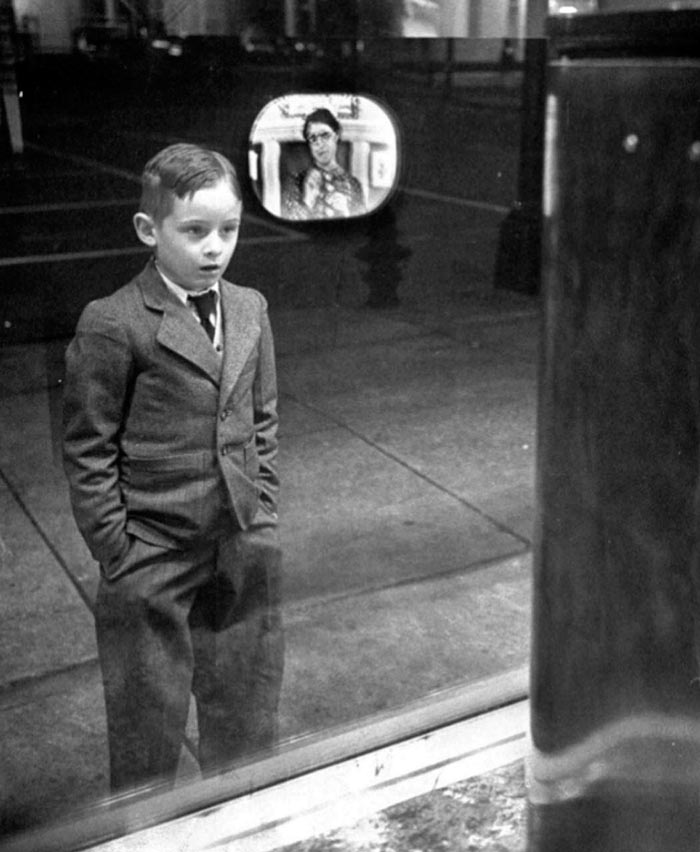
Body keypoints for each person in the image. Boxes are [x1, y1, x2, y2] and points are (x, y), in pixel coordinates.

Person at [62, 143, 284, 793]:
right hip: (152, 550)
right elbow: (88, 445)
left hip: (240, 538)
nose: (215, 248)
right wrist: (118, 549)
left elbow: (262, 415)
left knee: (246, 707)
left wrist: (262, 504)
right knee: (146, 719)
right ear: (147, 230)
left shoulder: (250, 308)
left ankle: (241, 818)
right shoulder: (113, 322)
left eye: (229, 230)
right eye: (194, 232)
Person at [282, 107, 365, 220]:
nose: (319, 144)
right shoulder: (296, 182)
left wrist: (346, 212)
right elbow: (288, 225)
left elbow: (362, 227)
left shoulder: (354, 185)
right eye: (313, 138)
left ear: (336, 137)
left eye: (325, 135)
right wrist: (308, 201)